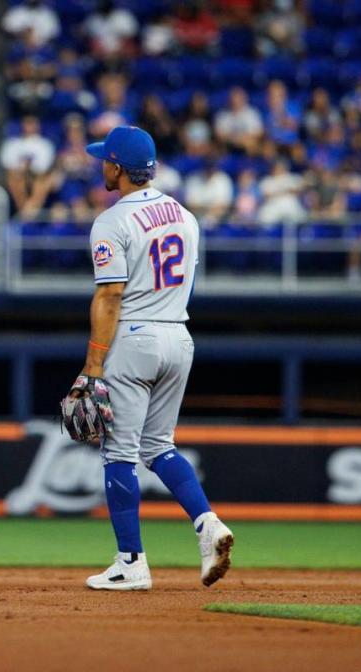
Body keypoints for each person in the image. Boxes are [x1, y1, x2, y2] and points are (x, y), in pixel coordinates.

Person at [67, 125, 234, 590]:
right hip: (179, 336)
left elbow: (111, 296)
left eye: (106, 160)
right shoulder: (185, 216)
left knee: (119, 453)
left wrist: (92, 366)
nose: (102, 165)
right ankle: (207, 525)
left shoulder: (112, 220)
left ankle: (131, 562)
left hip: (135, 338)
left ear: (118, 168)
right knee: (159, 447)